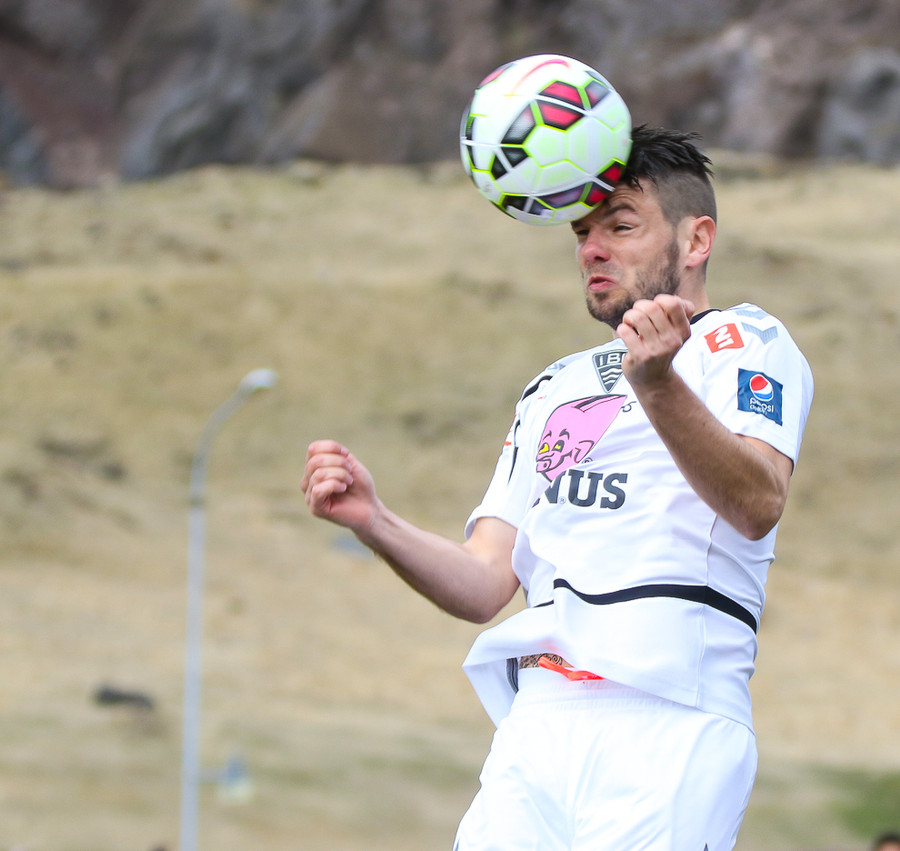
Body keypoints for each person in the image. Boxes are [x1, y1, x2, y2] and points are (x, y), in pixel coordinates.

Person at [301, 125, 814, 850]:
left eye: (620, 226)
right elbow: (485, 581)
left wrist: (657, 385)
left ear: (697, 240)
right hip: (537, 723)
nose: (591, 249)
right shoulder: (556, 385)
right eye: (581, 231)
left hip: (671, 715)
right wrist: (374, 520)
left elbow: (758, 502)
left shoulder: (748, 342)